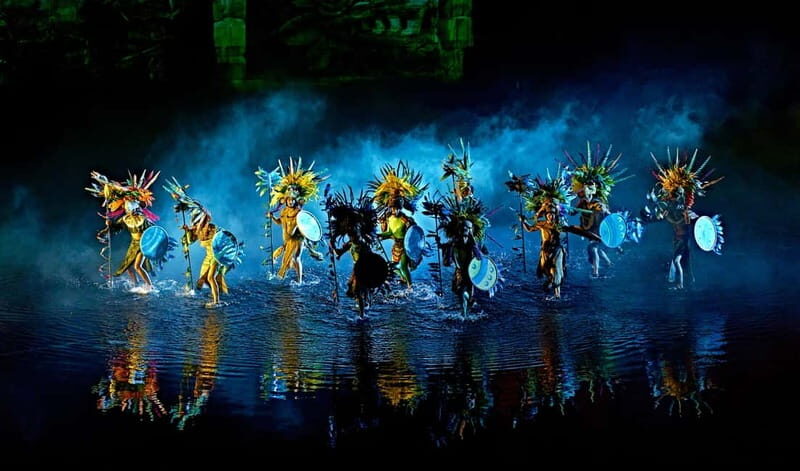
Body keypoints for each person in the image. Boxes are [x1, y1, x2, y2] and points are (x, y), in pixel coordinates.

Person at [641, 148, 723, 289]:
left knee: (677, 261)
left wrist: (673, 218)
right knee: (685, 262)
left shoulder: (684, 211)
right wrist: (649, 218)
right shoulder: (671, 209)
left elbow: (685, 221)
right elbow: (660, 217)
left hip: (683, 241)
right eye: (674, 195)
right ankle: (690, 281)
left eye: (678, 195)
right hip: (677, 240)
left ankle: (680, 284)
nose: (675, 198)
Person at [86, 170, 163, 291]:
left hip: (143, 244)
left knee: (137, 266)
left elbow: (153, 232)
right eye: (126, 205)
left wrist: (153, 245)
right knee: (128, 267)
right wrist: (109, 224)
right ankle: (135, 285)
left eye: (130, 204)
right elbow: (116, 227)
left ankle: (149, 286)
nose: (128, 206)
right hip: (134, 244)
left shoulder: (142, 219)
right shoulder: (126, 219)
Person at [564, 142, 632, 277]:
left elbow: (609, 217)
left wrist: (616, 241)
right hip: (589, 229)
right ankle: (608, 263)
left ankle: (595, 272)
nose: (585, 191)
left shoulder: (599, 203)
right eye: (584, 188)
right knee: (594, 248)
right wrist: (565, 205)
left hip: (599, 230)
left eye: (589, 189)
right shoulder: (582, 202)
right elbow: (572, 212)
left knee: (593, 248)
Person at [257, 158, 326, 284]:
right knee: (289, 260)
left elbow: (303, 226)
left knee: (295, 257)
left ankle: (298, 280)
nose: (290, 201)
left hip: (297, 239)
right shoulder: (283, 211)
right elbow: (280, 223)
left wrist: (298, 232)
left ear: (296, 200)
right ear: (286, 199)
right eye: (288, 199)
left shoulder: (299, 213)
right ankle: (298, 274)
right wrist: (272, 217)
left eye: (292, 200)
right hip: (287, 239)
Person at [369, 161, 428, 288]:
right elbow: (390, 232)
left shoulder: (405, 219)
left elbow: (413, 233)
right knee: (394, 267)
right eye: (393, 208)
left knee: (402, 266)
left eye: (396, 208)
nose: (394, 210)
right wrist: (379, 235)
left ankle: (410, 286)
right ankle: (402, 280)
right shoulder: (389, 218)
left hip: (405, 247)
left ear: (400, 207)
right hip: (395, 246)